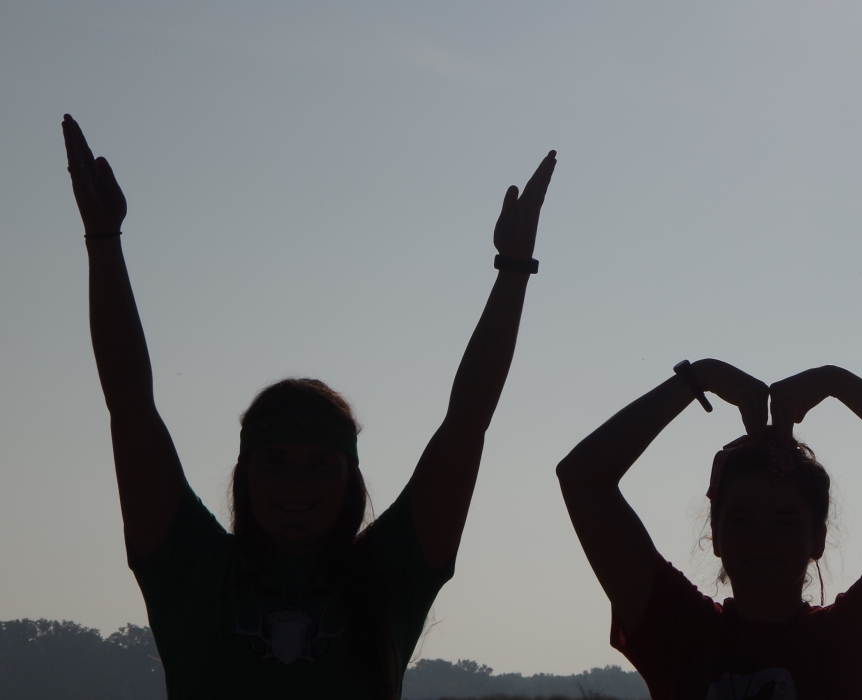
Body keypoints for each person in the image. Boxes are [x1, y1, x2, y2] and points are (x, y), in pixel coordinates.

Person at [63, 114, 555, 699]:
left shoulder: (391, 574)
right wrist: (102, 241)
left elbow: (468, 423)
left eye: (318, 462)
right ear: (244, 475)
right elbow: (129, 406)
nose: (295, 483)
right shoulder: (190, 567)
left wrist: (514, 271)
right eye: (275, 461)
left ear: (351, 478)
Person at [557, 361, 862, 700]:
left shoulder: (854, 639)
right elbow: (580, 477)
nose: (762, 539)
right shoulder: (679, 630)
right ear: (715, 536)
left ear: (817, 538)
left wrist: (839, 381)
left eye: (784, 521)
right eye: (742, 521)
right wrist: (693, 378)